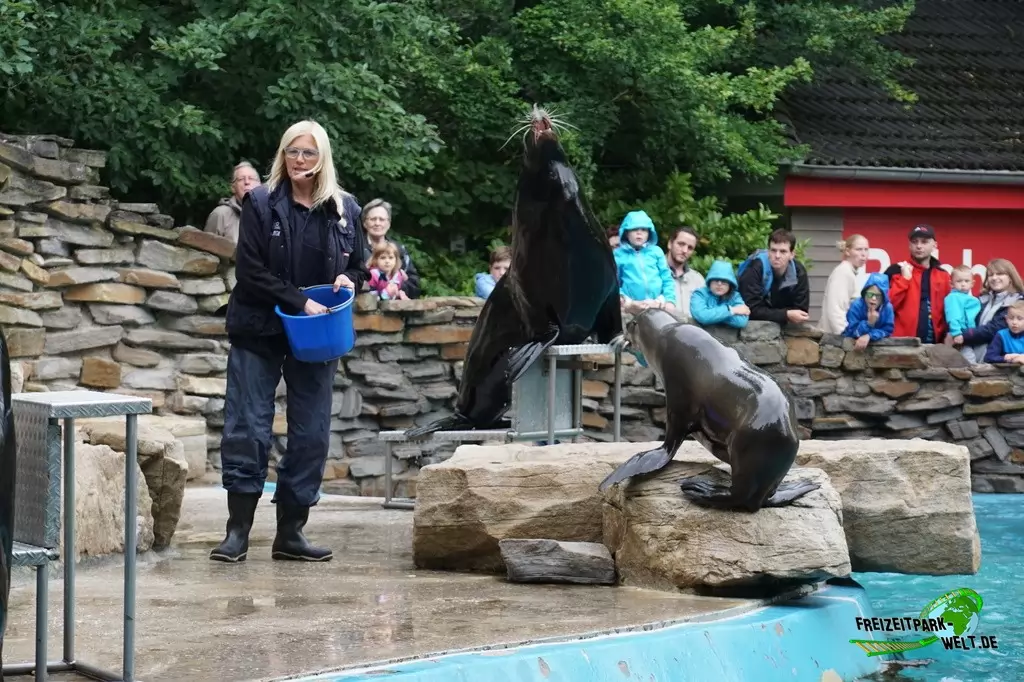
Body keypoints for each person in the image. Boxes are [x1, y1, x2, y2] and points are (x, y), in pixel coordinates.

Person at [212, 119, 368, 564]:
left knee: (312, 431)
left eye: (309, 153)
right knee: (247, 425)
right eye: (293, 152)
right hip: (259, 325)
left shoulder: (345, 209)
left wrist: (348, 278)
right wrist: (299, 302)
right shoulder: (260, 202)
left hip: (317, 334)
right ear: (282, 155)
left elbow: (359, 266)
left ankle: (291, 532)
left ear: (323, 159)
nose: (300, 160)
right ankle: (237, 531)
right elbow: (251, 271)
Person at [883, 224, 950, 343]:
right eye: (915, 242)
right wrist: (904, 280)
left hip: (935, 345)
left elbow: (949, 311)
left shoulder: (943, 275)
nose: (919, 246)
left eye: (924, 242)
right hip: (900, 344)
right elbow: (884, 306)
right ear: (909, 245)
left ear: (934, 245)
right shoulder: (895, 270)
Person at [736, 229, 810, 325]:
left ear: (792, 255)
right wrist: (786, 314)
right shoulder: (754, 268)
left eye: (783, 251)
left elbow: (801, 311)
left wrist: (784, 314)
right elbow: (750, 309)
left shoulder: (799, 272)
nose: (777, 256)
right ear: (768, 251)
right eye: (773, 250)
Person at [959, 258, 1024, 363]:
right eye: (990, 275)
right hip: (971, 357)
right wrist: (955, 331)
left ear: (1010, 277)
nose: (994, 278)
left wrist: (962, 335)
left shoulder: (1019, 301)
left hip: (999, 363)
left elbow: (995, 329)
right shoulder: (981, 298)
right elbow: (963, 320)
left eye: (999, 274)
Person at [614, 210, 677, 312]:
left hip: (658, 304)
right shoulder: (618, 255)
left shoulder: (656, 251)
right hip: (631, 306)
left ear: (649, 233)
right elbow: (614, 284)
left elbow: (667, 278)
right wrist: (626, 301)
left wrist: (669, 300)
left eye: (643, 229)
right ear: (626, 232)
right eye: (634, 229)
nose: (639, 232)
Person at [360, 198, 421, 299]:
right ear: (365, 223)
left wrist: (397, 288)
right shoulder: (355, 249)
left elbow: (415, 284)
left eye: (382, 219)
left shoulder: (399, 250)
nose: (377, 223)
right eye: (373, 219)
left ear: (388, 224)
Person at [819, 234, 869, 334]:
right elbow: (836, 310)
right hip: (835, 341)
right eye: (858, 249)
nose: (863, 254)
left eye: (866, 249)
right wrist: (846, 337)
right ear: (847, 251)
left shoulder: (848, 272)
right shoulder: (844, 272)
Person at [204, 161, 262, 244]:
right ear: (233, 187)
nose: (247, 182)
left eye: (251, 178)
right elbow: (205, 251)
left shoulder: (268, 216)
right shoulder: (220, 215)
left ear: (260, 185)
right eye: (241, 179)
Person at [689, 260, 749, 329]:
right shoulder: (699, 294)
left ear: (730, 283)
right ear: (710, 281)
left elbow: (741, 321)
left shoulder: (735, 296)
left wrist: (713, 315)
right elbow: (702, 316)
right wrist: (732, 310)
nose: (719, 284)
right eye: (716, 280)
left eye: (724, 281)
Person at [842, 273, 895, 350]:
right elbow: (851, 332)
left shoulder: (887, 308)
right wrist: (869, 323)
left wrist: (869, 335)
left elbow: (887, 331)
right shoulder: (856, 306)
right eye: (870, 294)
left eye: (878, 295)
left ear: (883, 297)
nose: (873, 298)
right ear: (865, 294)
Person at [664, 226, 706, 322]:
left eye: (690, 248)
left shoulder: (698, 280)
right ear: (670, 243)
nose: (685, 251)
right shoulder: (653, 272)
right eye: (681, 244)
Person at [944, 265, 983, 362]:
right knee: (969, 361)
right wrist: (956, 333)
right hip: (959, 335)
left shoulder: (972, 298)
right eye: (959, 281)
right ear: (951, 284)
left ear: (972, 283)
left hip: (969, 335)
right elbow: (953, 316)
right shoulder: (953, 297)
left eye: (966, 281)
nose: (963, 284)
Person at [984, 300, 1024, 365]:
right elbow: (988, 358)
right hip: (1005, 372)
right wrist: (1005, 358)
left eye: (1019, 319)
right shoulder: (1001, 335)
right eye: (1011, 318)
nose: (1014, 322)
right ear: (1006, 319)